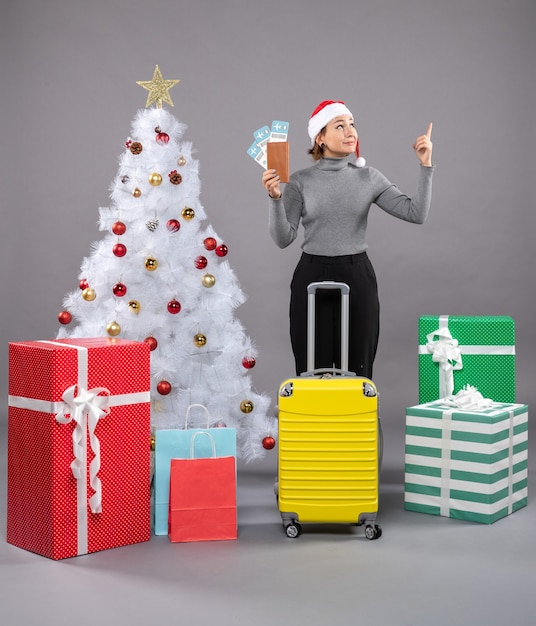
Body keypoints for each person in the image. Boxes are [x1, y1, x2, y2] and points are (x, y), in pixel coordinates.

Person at [262, 100, 434, 378]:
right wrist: (274, 199)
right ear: (320, 137)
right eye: (339, 126)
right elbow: (283, 239)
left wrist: (425, 166)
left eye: (352, 124)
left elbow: (416, 213)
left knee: (359, 366)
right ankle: (314, 420)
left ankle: (356, 420)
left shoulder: (369, 177)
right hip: (311, 274)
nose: (350, 131)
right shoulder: (299, 181)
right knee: (311, 367)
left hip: (356, 276)